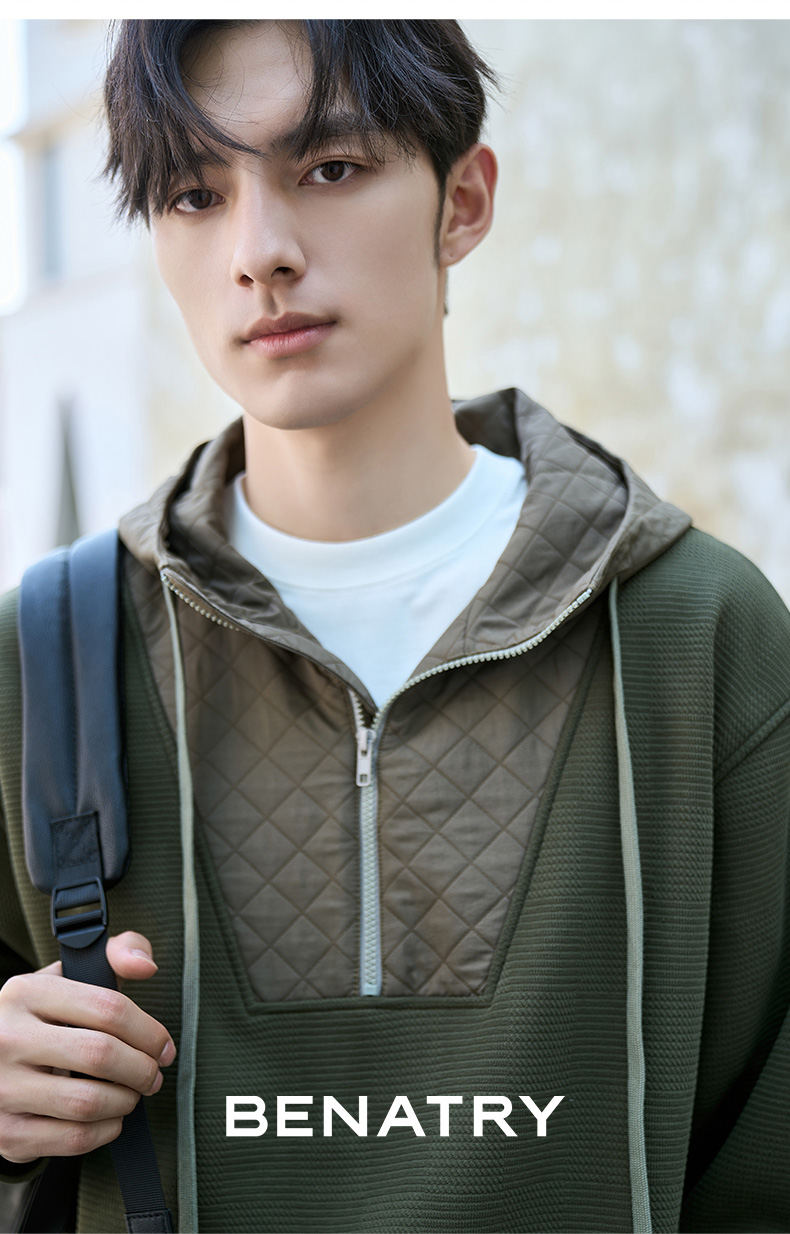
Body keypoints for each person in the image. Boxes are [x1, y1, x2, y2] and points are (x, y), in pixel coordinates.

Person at [1, 18, 789, 1234]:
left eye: (330, 168)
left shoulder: (697, 631)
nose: (259, 253)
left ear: (461, 202)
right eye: (196, 195)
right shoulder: (46, 654)